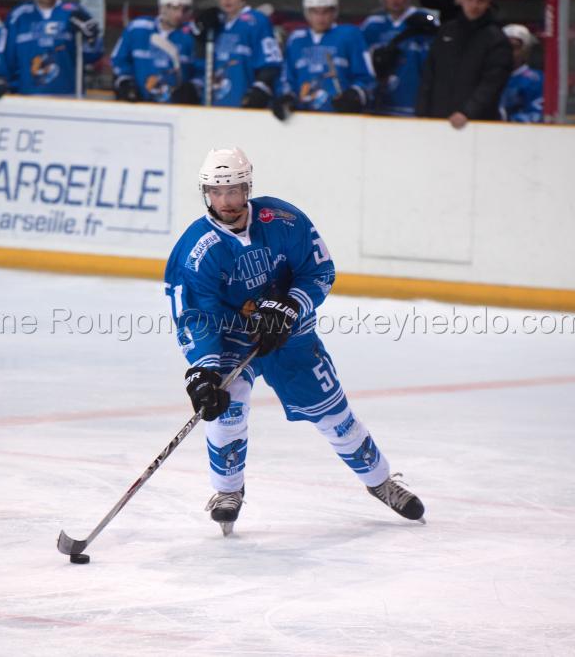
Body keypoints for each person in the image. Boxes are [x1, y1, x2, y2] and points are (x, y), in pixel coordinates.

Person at [164, 147, 426, 535]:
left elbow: (318, 270)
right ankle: (227, 491)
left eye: (233, 191)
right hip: (231, 340)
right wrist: (203, 371)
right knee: (226, 406)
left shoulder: (284, 220)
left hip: (290, 333)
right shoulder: (196, 249)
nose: (226, 201)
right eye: (216, 192)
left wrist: (289, 305)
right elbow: (196, 316)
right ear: (205, 193)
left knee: (333, 414)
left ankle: (380, 481)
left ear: (247, 188)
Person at [415, 0, 512, 129]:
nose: (474, 5)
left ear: (488, 3)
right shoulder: (446, 31)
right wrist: (422, 111)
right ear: (462, 0)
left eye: (480, 1)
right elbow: (430, 73)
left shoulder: (496, 39)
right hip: (437, 117)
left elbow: (493, 82)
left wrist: (468, 112)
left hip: (476, 123)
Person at [273, 0, 373, 120]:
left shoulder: (350, 35)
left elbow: (367, 77)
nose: (320, 18)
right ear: (307, 13)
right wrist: (287, 96)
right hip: (302, 118)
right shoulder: (296, 40)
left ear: (334, 12)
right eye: (315, 12)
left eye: (326, 12)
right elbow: (286, 78)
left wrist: (355, 94)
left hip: (342, 117)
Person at [0, 0, 102, 99]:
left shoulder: (75, 12)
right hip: (27, 99)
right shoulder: (18, 16)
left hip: (68, 98)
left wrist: (92, 37)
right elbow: (4, 57)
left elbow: (93, 55)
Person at [192, 0, 282, 108]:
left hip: (243, 102)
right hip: (212, 104)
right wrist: (200, 32)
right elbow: (200, 64)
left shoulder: (257, 21)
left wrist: (260, 88)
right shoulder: (214, 23)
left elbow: (271, 62)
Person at [109, 0, 199, 104]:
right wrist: (125, 81)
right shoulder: (138, 29)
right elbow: (119, 60)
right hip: (138, 104)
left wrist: (194, 87)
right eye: (175, 8)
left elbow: (202, 69)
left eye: (185, 9)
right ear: (162, 7)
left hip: (176, 108)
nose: (179, 14)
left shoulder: (192, 35)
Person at [361, 0, 439, 117]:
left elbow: (434, 20)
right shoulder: (372, 23)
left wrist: (428, 19)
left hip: (411, 102)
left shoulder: (423, 18)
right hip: (379, 102)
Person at [498, 23, 543, 123]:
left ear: (525, 50)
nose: (508, 51)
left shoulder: (536, 80)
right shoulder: (490, 77)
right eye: (504, 46)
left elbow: (537, 115)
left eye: (515, 47)